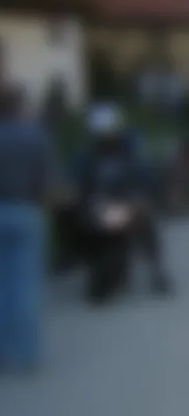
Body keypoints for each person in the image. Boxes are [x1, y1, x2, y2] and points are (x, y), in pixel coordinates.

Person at [66, 102, 173, 299]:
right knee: (75, 222)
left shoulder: (132, 152)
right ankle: (72, 258)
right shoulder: (86, 156)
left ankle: (157, 271)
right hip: (97, 204)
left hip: (127, 203)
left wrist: (143, 197)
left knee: (147, 222)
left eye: (110, 134)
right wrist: (76, 197)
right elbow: (75, 180)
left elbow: (147, 177)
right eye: (102, 136)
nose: (107, 140)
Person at [0, 86, 57, 372]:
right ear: (20, 107)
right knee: (26, 288)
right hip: (27, 212)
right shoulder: (36, 137)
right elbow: (50, 182)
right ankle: (27, 356)